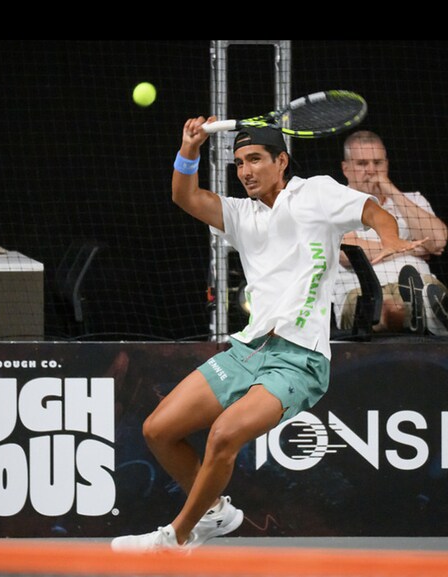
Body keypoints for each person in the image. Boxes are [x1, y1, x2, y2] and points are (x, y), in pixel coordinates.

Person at [111, 119, 426, 551]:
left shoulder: (316, 193)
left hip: (299, 360)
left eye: (255, 159)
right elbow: (185, 196)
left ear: (281, 161)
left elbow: (373, 212)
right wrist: (189, 149)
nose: (246, 171)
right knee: (158, 429)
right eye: (240, 163)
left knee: (224, 435)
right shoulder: (241, 215)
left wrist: (389, 239)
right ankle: (215, 512)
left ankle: (175, 538)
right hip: (249, 350)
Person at [333, 130, 448, 335]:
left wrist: (390, 190)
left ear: (386, 164)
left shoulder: (414, 200)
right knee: (391, 309)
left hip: (421, 283)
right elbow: (347, 253)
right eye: (362, 164)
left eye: (377, 163)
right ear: (346, 168)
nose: (371, 170)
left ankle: (424, 311)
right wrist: (409, 247)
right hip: (362, 289)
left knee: (429, 294)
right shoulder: (336, 203)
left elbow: (438, 240)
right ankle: (419, 316)